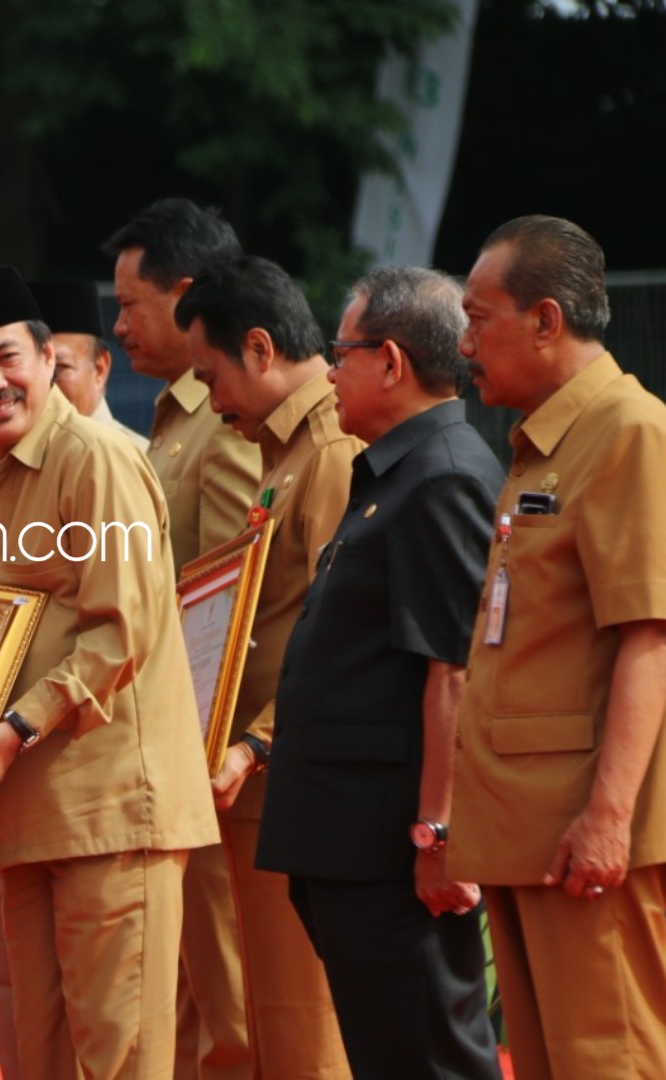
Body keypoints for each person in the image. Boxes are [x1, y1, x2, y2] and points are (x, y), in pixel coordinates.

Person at [0, 265, 218, 1080]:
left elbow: (122, 628)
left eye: (7, 357)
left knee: (118, 1058)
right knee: (42, 1057)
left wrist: (16, 726)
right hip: (21, 812)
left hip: (109, 811)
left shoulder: (92, 459)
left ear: (48, 356)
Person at [449, 215, 666, 1079]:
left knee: (614, 1058)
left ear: (545, 320)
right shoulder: (543, 443)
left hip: (580, 829)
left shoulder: (630, 431)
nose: (464, 341)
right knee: (558, 1064)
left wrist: (608, 817)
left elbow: (650, 635)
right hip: (527, 820)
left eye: (479, 318)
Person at [253, 266, 504, 1079]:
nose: (328, 371)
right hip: (349, 837)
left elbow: (452, 668)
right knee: (390, 1053)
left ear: (389, 362)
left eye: (341, 353)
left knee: (428, 1056)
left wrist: (438, 832)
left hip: (391, 845)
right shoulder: (397, 472)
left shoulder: (443, 477)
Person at [174, 255, 359, 1079]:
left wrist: (254, 742)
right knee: (263, 1019)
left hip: (293, 768)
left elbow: (340, 630)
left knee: (301, 1025)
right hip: (259, 774)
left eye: (211, 377)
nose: (212, 404)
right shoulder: (285, 453)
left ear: (257, 348)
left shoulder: (331, 451)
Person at [102, 197, 258, 1080]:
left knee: (225, 997)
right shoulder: (175, 418)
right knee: (195, 995)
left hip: (210, 748)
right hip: (179, 752)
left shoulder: (222, 418)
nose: (117, 323)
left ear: (187, 294)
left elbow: (238, 592)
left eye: (130, 303)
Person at [27, 279, 148, 448]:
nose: (44, 388)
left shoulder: (134, 458)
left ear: (100, 369)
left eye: (57, 370)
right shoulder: (11, 465)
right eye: (32, 372)